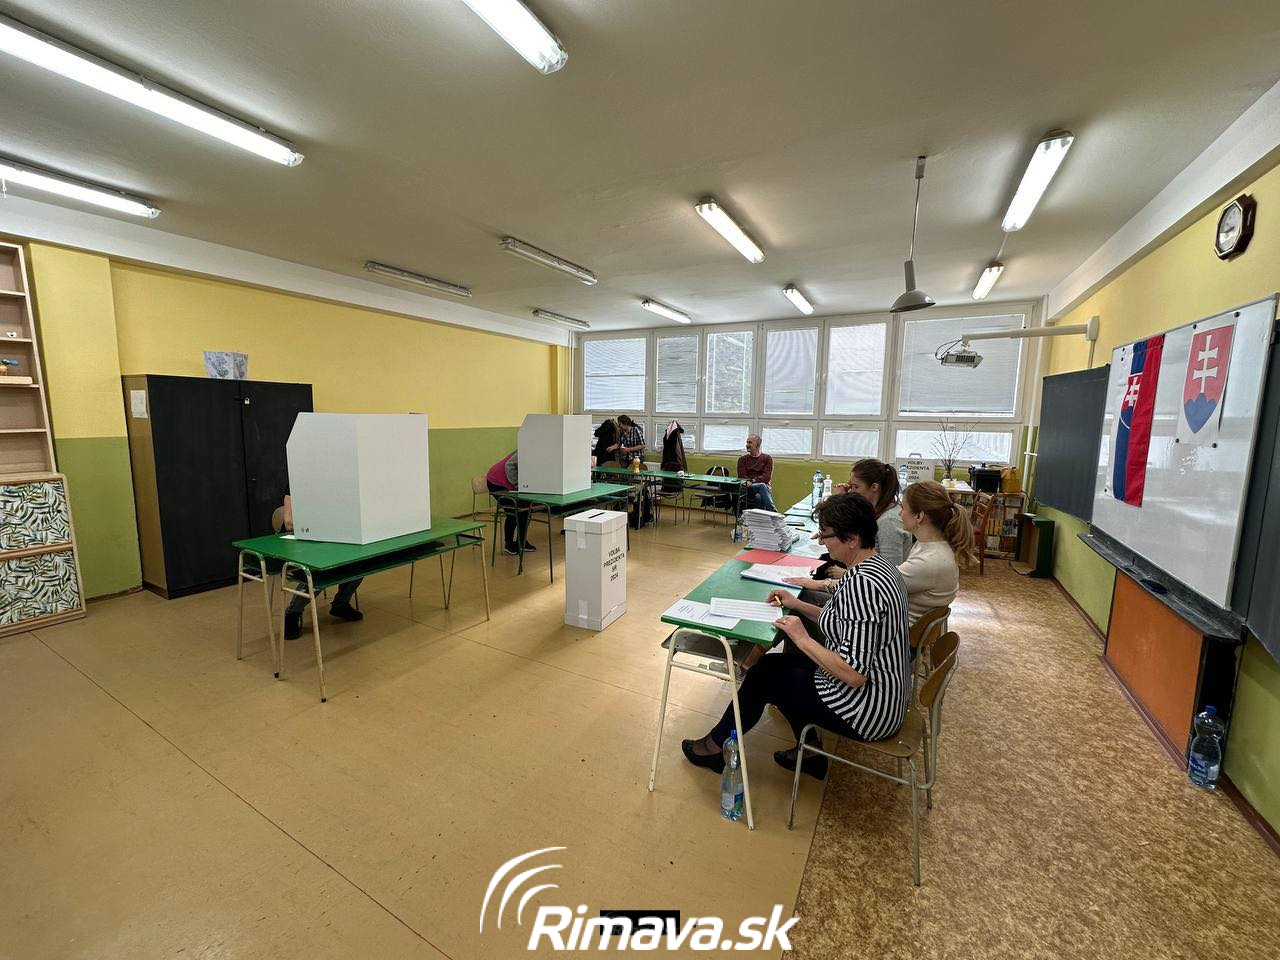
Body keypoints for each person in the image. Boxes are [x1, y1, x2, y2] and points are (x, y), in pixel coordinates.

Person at [682, 493, 909, 780]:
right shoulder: (875, 567)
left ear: (852, 538)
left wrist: (802, 638)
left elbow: (854, 675)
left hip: (867, 710)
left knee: (764, 678)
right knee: (773, 667)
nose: (822, 542)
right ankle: (809, 752)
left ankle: (716, 747)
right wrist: (798, 604)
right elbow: (842, 620)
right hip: (883, 695)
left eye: (827, 535)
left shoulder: (862, 585)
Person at [274, 495, 363, 640]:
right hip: (300, 541)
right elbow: (289, 523)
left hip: (328, 537)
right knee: (319, 573)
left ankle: (341, 604)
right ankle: (293, 613)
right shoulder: (292, 486)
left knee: (358, 564)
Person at [897, 480, 974, 622]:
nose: (899, 514)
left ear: (919, 516)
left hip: (899, 632)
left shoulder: (929, 561)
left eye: (903, 508)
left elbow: (879, 586)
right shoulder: (929, 545)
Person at [486, 452, 535, 556]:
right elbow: (509, 465)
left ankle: (521, 542)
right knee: (512, 512)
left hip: (509, 481)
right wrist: (517, 484)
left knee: (526, 510)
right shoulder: (525, 450)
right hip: (496, 482)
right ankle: (508, 544)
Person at [736, 434, 776, 512]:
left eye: (750, 442)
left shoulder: (767, 458)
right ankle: (773, 511)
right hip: (749, 487)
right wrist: (750, 482)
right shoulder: (742, 459)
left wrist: (753, 480)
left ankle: (758, 518)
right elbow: (742, 476)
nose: (747, 445)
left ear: (757, 445)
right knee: (762, 485)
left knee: (759, 496)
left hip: (762, 486)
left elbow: (766, 477)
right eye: (747, 442)